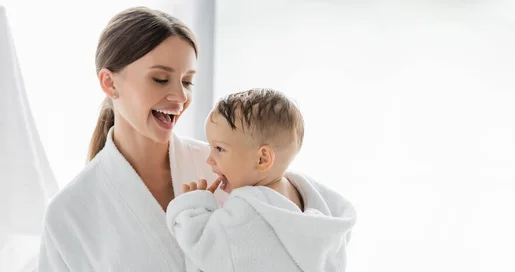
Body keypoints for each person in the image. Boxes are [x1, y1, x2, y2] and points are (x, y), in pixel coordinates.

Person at [37, 6, 224, 271]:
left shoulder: (222, 169)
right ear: (110, 83)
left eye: (187, 82)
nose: (181, 97)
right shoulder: (69, 213)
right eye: (160, 79)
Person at [166, 88, 356, 272]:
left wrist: (192, 207)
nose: (209, 159)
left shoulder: (249, 209)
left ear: (262, 159)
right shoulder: (313, 200)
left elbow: (206, 246)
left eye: (220, 149)